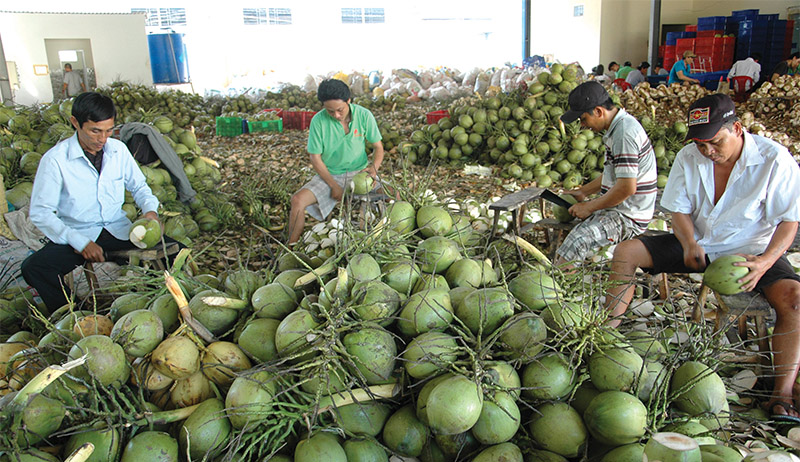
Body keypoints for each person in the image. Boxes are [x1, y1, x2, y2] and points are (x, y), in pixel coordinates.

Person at [604, 93, 800, 421]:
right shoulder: (688, 157)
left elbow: (789, 221)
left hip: (751, 252)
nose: (707, 151)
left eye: (714, 142)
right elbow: (678, 209)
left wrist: (765, 262)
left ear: (737, 128)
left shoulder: (774, 160)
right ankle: (604, 336)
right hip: (699, 245)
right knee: (626, 252)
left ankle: (781, 396)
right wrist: (688, 240)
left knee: (795, 300)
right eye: (700, 144)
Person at [21, 92, 162, 311]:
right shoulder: (55, 160)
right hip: (78, 234)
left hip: (118, 230)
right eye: (95, 131)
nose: (102, 139)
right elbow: (41, 212)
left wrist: (150, 211)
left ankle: (158, 307)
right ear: (75, 123)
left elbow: (139, 186)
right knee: (34, 268)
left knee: (175, 250)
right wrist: (79, 241)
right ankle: (75, 314)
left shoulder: (118, 150)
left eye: (108, 131)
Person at [555, 81, 657, 266]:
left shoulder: (624, 134)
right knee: (575, 237)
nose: (583, 125)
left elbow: (626, 188)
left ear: (599, 112)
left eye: (583, 119)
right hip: (620, 209)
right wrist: (583, 192)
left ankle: (556, 291)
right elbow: (618, 175)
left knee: (577, 242)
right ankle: (564, 280)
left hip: (629, 216)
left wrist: (590, 207)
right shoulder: (617, 128)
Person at [287, 79, 384, 245]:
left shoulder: (364, 115)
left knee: (393, 195)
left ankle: (379, 237)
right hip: (330, 174)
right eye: (330, 111)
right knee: (297, 201)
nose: (337, 115)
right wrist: (333, 185)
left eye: (340, 110)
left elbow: (379, 148)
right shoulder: (318, 121)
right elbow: (315, 158)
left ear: (348, 101)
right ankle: (290, 247)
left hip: (359, 173)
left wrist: (373, 170)